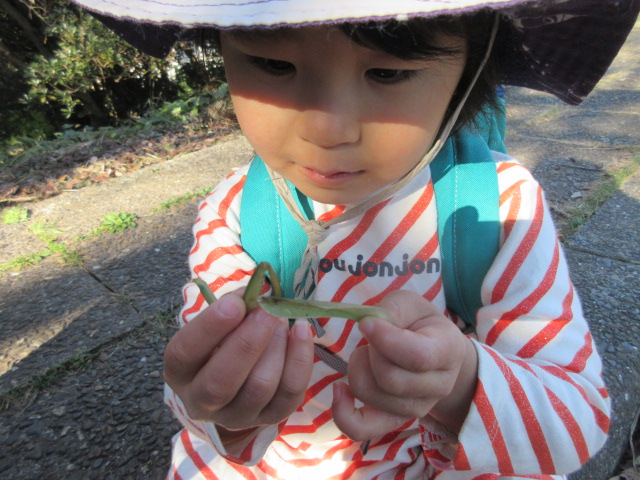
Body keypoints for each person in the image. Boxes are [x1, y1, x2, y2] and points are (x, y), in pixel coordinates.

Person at [72, 0, 638, 478]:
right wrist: (215, 400)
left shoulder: (501, 211)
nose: (326, 128)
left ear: (471, 69)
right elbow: (201, 410)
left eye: (387, 73)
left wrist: (460, 379)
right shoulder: (236, 211)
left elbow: (577, 418)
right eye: (271, 64)